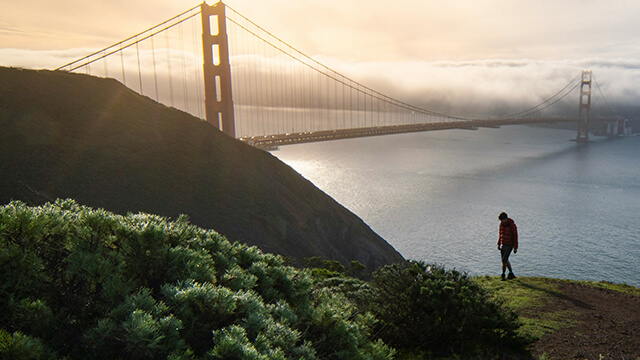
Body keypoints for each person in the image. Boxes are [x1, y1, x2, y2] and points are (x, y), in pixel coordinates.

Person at [497, 212, 518, 281]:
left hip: (510, 245)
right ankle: (511, 273)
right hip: (503, 244)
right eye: (501, 221)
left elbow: (515, 236)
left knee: (504, 260)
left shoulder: (512, 225)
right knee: (504, 260)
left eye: (502, 220)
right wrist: (499, 243)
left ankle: (503, 274)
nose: (502, 222)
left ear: (506, 219)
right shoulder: (501, 225)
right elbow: (500, 234)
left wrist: (515, 247)